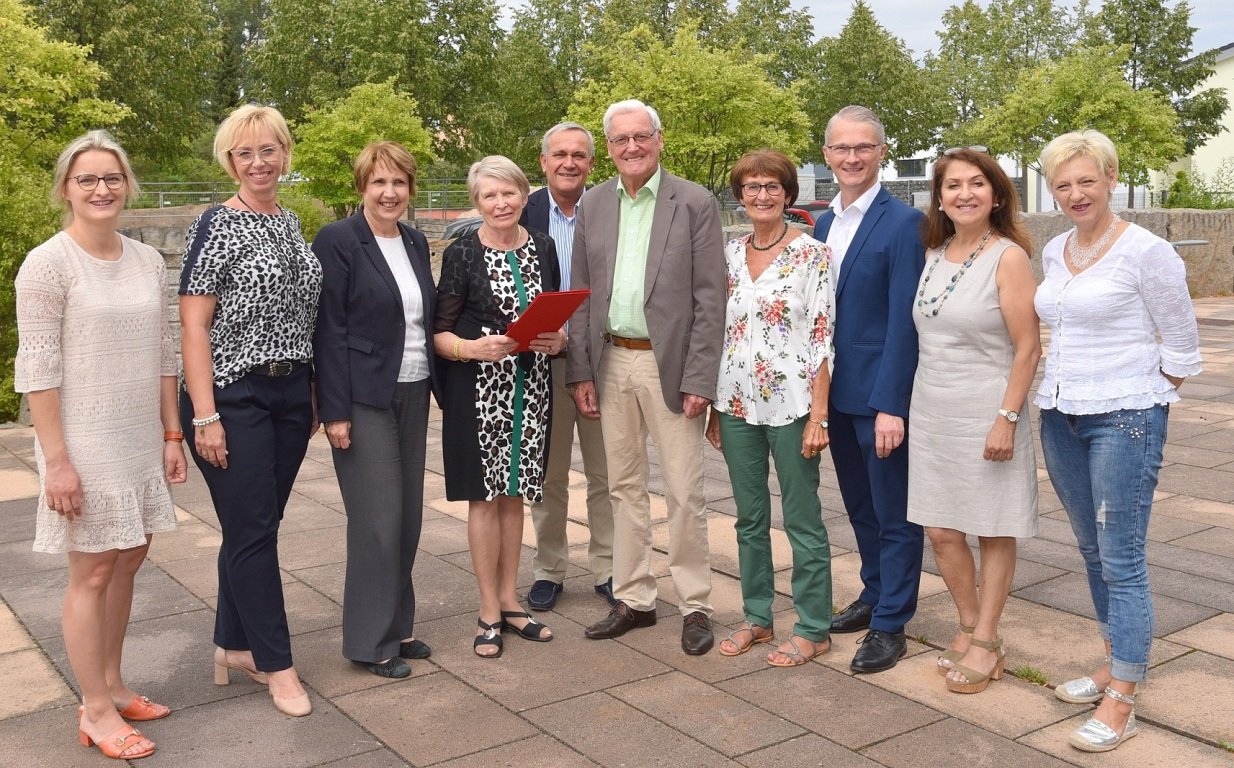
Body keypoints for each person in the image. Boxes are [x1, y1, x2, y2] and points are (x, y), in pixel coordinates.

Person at [15, 130, 186, 760]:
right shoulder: (48, 263)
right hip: (81, 440)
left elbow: (166, 355)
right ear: (66, 188)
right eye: (87, 178)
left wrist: (172, 434)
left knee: (130, 557)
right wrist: (56, 462)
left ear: (127, 185)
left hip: (139, 433)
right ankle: (92, 710)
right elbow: (38, 370)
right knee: (90, 570)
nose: (101, 188)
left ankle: (112, 684)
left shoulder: (147, 262)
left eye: (111, 178)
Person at [1036, 130, 1201, 752]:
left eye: (1087, 180)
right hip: (1059, 413)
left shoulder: (1148, 251)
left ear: (1111, 178)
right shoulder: (1056, 250)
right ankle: (1113, 660)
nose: (1077, 193)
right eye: (1064, 184)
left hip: (1125, 417)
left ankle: (1123, 695)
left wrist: (1138, 391)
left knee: (1123, 556)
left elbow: (1180, 345)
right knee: (1091, 550)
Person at [569, 99, 725, 656]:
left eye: (641, 137)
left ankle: (695, 604)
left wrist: (701, 378)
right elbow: (582, 295)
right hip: (611, 361)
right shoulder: (593, 203)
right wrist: (581, 369)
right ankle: (634, 597)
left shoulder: (694, 202)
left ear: (659, 139)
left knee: (685, 491)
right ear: (608, 149)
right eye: (620, 140)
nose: (631, 148)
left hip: (673, 365)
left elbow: (711, 298)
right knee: (623, 487)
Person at [179, 104, 321, 716]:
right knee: (255, 532)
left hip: (291, 395)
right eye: (246, 153)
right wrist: (204, 414)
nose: (259, 162)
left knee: (252, 528)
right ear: (230, 161)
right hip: (233, 394)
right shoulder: (217, 224)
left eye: (269, 150)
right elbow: (192, 325)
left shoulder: (290, 224)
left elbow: (300, 316)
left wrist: (312, 392)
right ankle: (276, 663)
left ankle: (234, 643)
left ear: (285, 155)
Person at [907, 147, 1041, 694]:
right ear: (939, 197)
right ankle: (967, 623)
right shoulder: (934, 251)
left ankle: (987, 638)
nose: (965, 193)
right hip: (932, 409)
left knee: (992, 525)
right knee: (940, 530)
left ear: (996, 193)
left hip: (988, 409)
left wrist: (1006, 418)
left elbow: (1028, 347)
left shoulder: (1008, 257)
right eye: (953, 185)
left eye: (976, 184)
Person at [705, 150, 835, 667]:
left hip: (795, 404)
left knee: (803, 519)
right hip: (736, 401)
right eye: (752, 187)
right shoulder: (730, 254)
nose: (761, 195)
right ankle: (757, 617)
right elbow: (721, 332)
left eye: (772, 186)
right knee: (749, 518)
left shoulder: (813, 254)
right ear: (740, 196)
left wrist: (820, 416)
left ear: (787, 193)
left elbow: (823, 338)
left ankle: (813, 626)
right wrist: (716, 407)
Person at [313, 141, 437, 678]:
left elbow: (423, 322)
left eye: (399, 183)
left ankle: (397, 626)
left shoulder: (413, 241)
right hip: (363, 398)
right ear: (362, 187)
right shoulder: (338, 241)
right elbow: (328, 329)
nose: (390, 192)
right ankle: (369, 642)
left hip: (413, 387)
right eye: (379, 182)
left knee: (407, 518)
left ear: (410, 189)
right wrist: (334, 411)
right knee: (377, 520)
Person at [433, 156, 565, 658]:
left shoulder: (544, 246)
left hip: (529, 389)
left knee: (515, 497)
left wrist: (557, 338)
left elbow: (553, 312)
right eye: (489, 195)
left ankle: (513, 602)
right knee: (483, 499)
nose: (501, 203)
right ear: (477, 202)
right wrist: (471, 349)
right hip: (478, 391)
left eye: (508, 193)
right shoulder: (463, 253)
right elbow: (439, 334)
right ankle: (488, 608)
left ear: (522, 194)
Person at [811, 105, 924, 674]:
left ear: (881, 153)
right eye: (841, 148)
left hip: (878, 399)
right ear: (827, 154)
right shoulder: (824, 223)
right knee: (859, 507)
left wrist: (890, 406)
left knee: (895, 512)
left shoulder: (904, 223)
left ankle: (892, 623)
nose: (851, 158)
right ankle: (875, 592)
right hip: (835, 394)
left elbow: (904, 320)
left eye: (863, 148)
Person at [518, 122, 615, 612]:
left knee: (606, 473)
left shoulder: (610, 207)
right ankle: (549, 569)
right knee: (549, 474)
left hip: (603, 360)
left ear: (592, 164)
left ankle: (609, 569)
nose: (569, 162)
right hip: (545, 362)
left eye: (579, 154)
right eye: (560, 154)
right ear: (544, 161)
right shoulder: (525, 209)